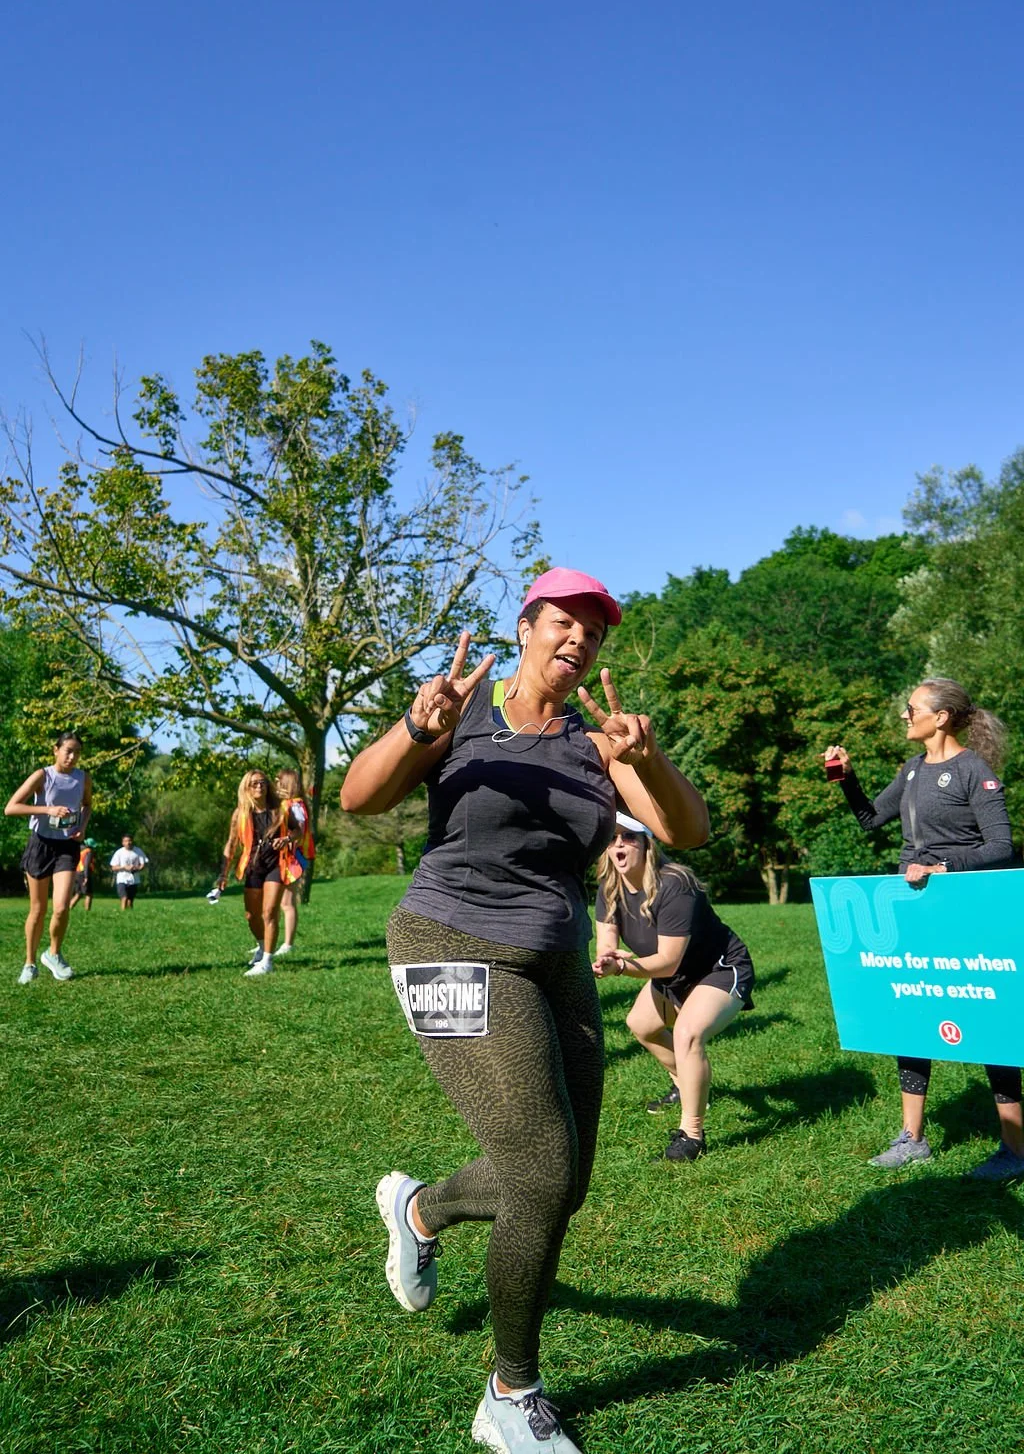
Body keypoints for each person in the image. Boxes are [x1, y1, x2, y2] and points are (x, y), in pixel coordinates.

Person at [341, 566, 709, 1454]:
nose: (579, 641)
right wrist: (414, 725)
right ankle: (512, 1394)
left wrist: (643, 757)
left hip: (555, 960)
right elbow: (358, 797)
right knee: (541, 1171)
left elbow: (689, 832)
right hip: (445, 939)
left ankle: (421, 1209)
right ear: (526, 627)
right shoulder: (462, 710)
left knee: (562, 1179)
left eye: (594, 632)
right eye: (564, 624)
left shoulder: (597, 746)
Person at [826, 675, 1022, 1180]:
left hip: (964, 913)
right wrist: (848, 779)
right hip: (915, 911)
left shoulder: (972, 770)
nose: (905, 715)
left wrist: (944, 869)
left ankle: (1016, 1147)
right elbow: (871, 820)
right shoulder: (912, 771)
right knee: (911, 1014)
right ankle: (912, 1139)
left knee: (986, 1023)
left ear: (942, 716)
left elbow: (1002, 846)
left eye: (912, 708)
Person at [593, 812, 755, 1162]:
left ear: (647, 843)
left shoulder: (674, 883)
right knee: (642, 1026)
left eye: (629, 837)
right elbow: (606, 939)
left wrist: (622, 967)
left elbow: (668, 960)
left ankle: (692, 1135)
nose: (619, 844)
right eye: (612, 838)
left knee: (687, 1035)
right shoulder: (610, 888)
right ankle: (686, 1085)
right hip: (672, 975)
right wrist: (606, 959)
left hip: (718, 968)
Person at [4, 730, 92, 984]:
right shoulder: (42, 776)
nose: (73, 757)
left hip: (67, 846)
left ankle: (53, 953)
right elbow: (11, 808)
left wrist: (82, 827)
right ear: (56, 750)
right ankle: (30, 962)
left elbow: (87, 805)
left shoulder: (83, 778)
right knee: (38, 909)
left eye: (77, 752)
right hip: (40, 845)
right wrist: (47, 809)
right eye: (69, 751)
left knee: (62, 906)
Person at [221, 768, 302, 976]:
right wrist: (223, 874)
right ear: (246, 788)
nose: (260, 786)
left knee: (269, 912)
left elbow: (297, 831)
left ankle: (267, 961)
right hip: (252, 866)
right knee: (251, 915)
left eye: (263, 782)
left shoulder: (281, 810)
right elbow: (231, 844)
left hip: (276, 864)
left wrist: (287, 839)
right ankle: (261, 945)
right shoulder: (240, 813)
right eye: (255, 783)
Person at [273, 767, 315, 957]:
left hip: (292, 859)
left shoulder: (295, 805)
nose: (276, 786)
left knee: (287, 903)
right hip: (281, 858)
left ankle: (288, 944)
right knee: (276, 903)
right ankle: (270, 942)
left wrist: (286, 840)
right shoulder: (286, 804)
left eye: (279, 782)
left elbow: (299, 830)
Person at [109, 834, 149, 909]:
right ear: (123, 843)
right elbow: (113, 867)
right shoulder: (119, 852)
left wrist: (136, 868)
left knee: (130, 901)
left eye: (130, 840)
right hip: (122, 879)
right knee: (124, 898)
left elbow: (143, 864)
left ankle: (129, 916)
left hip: (134, 879)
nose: (128, 842)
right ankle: (122, 915)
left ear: (132, 841)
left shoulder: (138, 851)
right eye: (126, 841)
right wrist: (124, 867)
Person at [69, 837, 98, 912]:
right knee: (89, 893)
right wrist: (86, 877)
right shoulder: (89, 851)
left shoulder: (80, 850)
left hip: (77, 873)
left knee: (79, 893)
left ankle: (69, 907)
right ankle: (87, 911)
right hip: (84, 873)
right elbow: (86, 864)